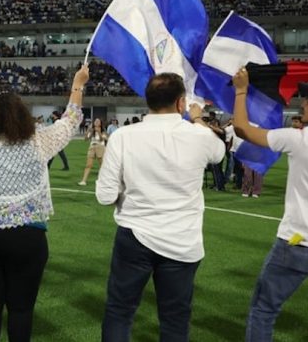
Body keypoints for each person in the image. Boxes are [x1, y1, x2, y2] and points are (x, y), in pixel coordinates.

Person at [0, 64, 89, 342]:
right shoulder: (38, 141)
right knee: (21, 309)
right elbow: (70, 120)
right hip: (26, 236)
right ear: (22, 115)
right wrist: (77, 85)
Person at [95, 73, 225, 342]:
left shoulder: (123, 136)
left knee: (120, 311)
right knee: (175, 319)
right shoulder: (199, 136)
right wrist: (198, 117)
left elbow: (105, 195)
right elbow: (219, 152)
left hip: (135, 234)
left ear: (148, 100)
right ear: (181, 103)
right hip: (182, 240)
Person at [233, 65, 308, 341]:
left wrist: (241, 91)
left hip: (298, 240)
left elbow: (243, 129)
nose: (301, 103)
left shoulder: (301, 139)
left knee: (265, 309)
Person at [77, 117, 107, 186]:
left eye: (98, 121)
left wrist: (99, 132)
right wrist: (88, 131)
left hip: (100, 147)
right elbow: (85, 139)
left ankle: (103, 180)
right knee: (88, 165)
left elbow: (101, 140)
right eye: (95, 121)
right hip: (92, 147)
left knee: (101, 165)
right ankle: (83, 181)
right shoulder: (91, 130)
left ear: (100, 123)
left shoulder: (103, 130)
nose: (96, 122)